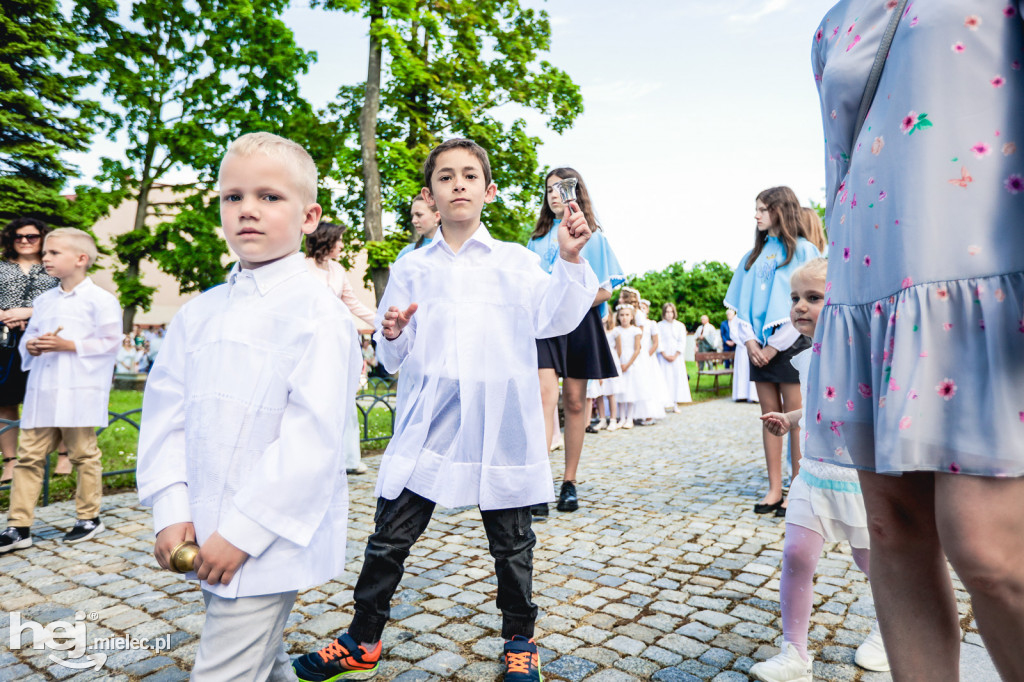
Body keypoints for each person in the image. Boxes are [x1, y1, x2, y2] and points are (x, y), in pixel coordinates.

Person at [291, 138, 597, 682]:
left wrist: (570, 260)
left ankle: (520, 641)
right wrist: (392, 332)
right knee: (390, 533)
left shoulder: (516, 262)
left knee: (513, 542)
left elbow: (555, 318)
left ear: (489, 190)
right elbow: (393, 353)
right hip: (432, 417)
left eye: (470, 176)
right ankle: (363, 638)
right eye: (446, 176)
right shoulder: (413, 269)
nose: (458, 184)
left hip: (498, 418)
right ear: (430, 195)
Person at [803, 5, 1024, 680]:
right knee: (894, 533)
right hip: (870, 285)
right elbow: (840, 167)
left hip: (983, 274)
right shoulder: (834, 23)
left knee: (986, 547)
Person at [135, 132, 360, 681]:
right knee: (266, 660)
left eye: (269, 197)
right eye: (233, 197)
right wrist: (171, 508)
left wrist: (244, 531)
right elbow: (166, 415)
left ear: (309, 217)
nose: (248, 211)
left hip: (266, 535)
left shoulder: (319, 314)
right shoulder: (199, 313)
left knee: (224, 671)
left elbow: (311, 440)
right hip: (204, 529)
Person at [750, 258, 888, 682]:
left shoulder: (862, 352)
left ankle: (888, 631)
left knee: (874, 565)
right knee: (795, 556)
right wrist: (791, 420)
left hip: (856, 479)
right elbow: (816, 406)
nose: (800, 306)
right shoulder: (807, 358)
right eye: (795, 298)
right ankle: (794, 652)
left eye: (813, 297)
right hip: (812, 475)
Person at [0, 228, 121, 554]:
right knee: (28, 458)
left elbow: (111, 344)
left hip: (78, 391)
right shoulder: (43, 300)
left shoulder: (102, 300)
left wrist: (68, 344)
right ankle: (18, 525)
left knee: (83, 455)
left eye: (54, 253)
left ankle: (88, 517)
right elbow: (29, 340)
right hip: (43, 391)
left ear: (80, 259)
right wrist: (33, 347)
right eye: (46, 253)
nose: (45, 258)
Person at [528, 167, 624, 515]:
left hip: (581, 324)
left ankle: (568, 482)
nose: (554, 194)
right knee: (543, 396)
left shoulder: (592, 235)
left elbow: (606, 288)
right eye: (549, 189)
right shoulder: (535, 240)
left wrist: (571, 297)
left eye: (561, 188)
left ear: (575, 192)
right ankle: (537, 483)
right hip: (543, 327)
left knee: (574, 402)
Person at [725, 186, 821, 517]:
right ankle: (773, 487)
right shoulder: (751, 257)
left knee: (794, 416)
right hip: (757, 348)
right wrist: (751, 343)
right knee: (770, 417)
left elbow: (805, 306)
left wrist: (771, 345)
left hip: (792, 342)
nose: (757, 215)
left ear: (780, 210)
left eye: (763, 209)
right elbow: (737, 307)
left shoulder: (805, 251)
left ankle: (798, 486)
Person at [304, 220, 377, 475]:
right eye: (339, 240)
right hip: (307, 346)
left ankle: (348, 458)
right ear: (325, 240)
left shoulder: (337, 271)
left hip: (335, 345)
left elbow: (353, 303)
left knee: (343, 400)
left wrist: (382, 323)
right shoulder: (301, 268)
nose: (342, 245)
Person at [0, 218, 60, 482]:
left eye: (32, 236)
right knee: (5, 401)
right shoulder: (1, 267)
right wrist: (5, 315)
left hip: (46, 341)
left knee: (52, 398)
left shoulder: (54, 268)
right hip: (5, 341)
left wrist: (30, 313)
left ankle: (63, 456)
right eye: (18, 237)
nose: (24, 241)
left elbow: (67, 302)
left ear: (42, 238)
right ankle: (10, 461)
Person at [632, 298, 669, 424]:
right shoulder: (634, 323)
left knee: (648, 382)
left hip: (647, 356)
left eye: (644, 307)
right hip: (636, 355)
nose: (642, 309)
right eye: (640, 307)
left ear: (647, 310)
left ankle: (650, 413)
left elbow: (655, 343)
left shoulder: (652, 323)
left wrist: (647, 355)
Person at [611, 303, 642, 430]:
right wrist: (619, 363)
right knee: (620, 390)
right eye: (622, 315)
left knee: (630, 390)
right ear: (618, 317)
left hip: (631, 362)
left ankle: (630, 418)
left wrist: (628, 364)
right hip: (619, 361)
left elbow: (637, 349)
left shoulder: (636, 330)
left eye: (627, 315)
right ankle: (621, 417)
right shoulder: (616, 331)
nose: (624, 317)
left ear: (631, 317)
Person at [657, 302, 691, 411]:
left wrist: (676, 354)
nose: (669, 314)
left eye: (671, 312)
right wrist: (664, 354)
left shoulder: (680, 325)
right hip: (663, 356)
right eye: (667, 312)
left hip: (677, 357)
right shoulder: (659, 325)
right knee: (665, 379)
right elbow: (659, 341)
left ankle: (675, 403)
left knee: (676, 379)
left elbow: (682, 341)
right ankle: (664, 403)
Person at [726, 308, 758, 402]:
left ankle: (754, 396)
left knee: (753, 370)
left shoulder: (755, 313)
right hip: (742, 349)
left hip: (756, 347)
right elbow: (733, 332)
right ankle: (741, 395)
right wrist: (744, 343)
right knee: (741, 371)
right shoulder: (737, 317)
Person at [395, 195, 441, 260]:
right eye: (412, 216)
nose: (413, 221)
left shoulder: (455, 249)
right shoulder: (407, 252)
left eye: (419, 215)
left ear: (436, 216)